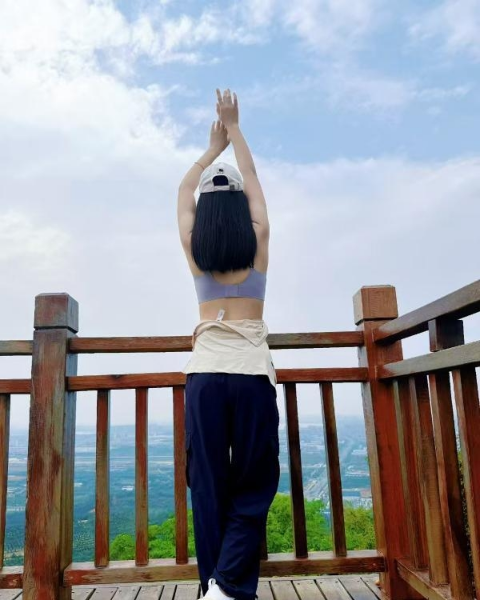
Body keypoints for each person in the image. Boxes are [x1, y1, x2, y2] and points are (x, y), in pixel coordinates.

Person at [177, 88, 280, 600]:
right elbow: (253, 178)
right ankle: (228, 586)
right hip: (251, 375)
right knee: (255, 484)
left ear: (205, 212)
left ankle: (211, 587)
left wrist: (210, 150)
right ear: (240, 208)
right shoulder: (258, 242)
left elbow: (183, 189)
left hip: (205, 377)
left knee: (209, 485)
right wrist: (235, 129)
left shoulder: (195, 251)